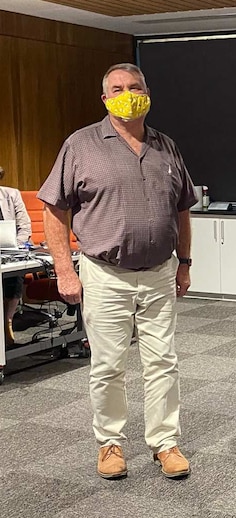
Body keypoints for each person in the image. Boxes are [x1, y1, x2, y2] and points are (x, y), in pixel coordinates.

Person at [39, 63, 198, 480]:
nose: (127, 94)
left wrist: (185, 263)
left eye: (135, 87)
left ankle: (165, 443)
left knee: (163, 361)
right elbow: (55, 210)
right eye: (117, 88)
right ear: (105, 98)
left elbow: (182, 210)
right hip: (104, 273)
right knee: (108, 365)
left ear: (147, 93)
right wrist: (64, 271)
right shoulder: (81, 145)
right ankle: (110, 444)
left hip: (161, 272)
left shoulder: (167, 147)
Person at [0, 166, 32, 346]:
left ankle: (7, 321)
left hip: (11, 250)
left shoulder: (11, 195)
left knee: (14, 273)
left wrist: (17, 245)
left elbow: (25, 226)